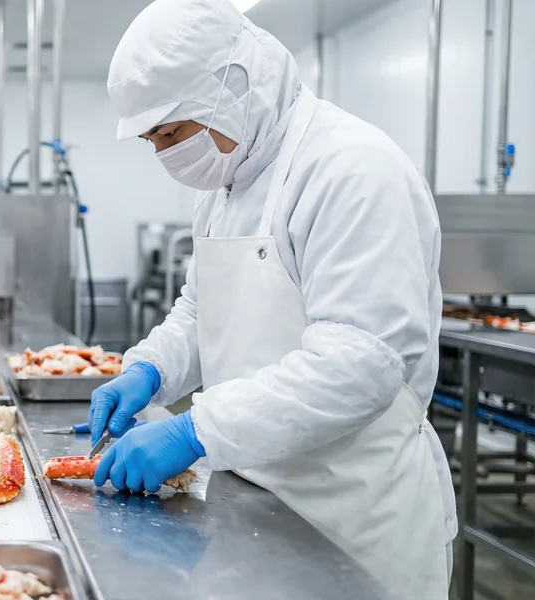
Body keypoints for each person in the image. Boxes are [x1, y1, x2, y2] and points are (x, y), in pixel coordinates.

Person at [90, 0, 457, 597]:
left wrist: (193, 431)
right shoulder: (226, 184)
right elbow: (201, 312)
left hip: (352, 518)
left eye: (169, 132)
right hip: (255, 498)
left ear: (230, 88)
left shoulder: (351, 169)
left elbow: (359, 364)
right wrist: (151, 368)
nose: (163, 153)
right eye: (151, 138)